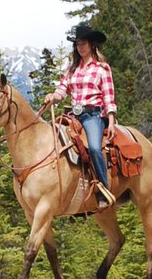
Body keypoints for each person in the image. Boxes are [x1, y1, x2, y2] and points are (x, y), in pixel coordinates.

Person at [41, 23, 117, 207]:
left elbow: (108, 96)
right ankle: (68, 190)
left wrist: (112, 121)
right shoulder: (72, 69)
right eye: (77, 44)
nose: (80, 47)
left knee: (93, 147)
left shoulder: (102, 69)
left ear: (91, 44)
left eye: (83, 43)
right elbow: (62, 90)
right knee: (56, 144)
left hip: (92, 116)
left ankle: (102, 189)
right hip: (73, 116)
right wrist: (53, 96)